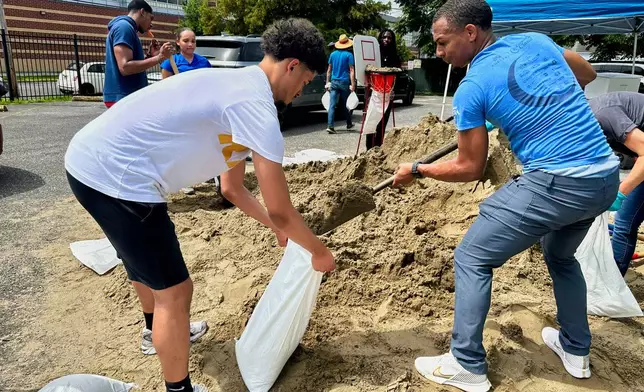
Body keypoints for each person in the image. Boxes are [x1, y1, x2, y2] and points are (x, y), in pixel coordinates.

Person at [64, 18, 335, 392]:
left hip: (92, 163)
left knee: (145, 264)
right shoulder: (255, 106)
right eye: (305, 79)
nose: (304, 87)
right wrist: (318, 251)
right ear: (291, 65)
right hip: (118, 178)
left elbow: (233, 188)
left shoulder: (238, 88)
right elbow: (282, 209)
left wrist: (276, 230)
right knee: (176, 292)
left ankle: (151, 330)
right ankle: (180, 389)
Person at [392, 0, 619, 391]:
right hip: (603, 177)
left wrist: (417, 169)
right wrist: (551, 102)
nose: (438, 53)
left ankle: (466, 364)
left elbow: (470, 168)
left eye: (443, 42)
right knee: (561, 257)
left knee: (472, 256)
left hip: (557, 183)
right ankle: (576, 350)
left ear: (470, 32)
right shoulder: (535, 40)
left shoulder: (472, 87)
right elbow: (587, 71)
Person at [589, 91, 644, 276]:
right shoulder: (590, 120)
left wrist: (622, 191)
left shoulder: (603, 114)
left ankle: (612, 283)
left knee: (624, 222)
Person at [161, 27, 214, 195]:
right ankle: (183, 181)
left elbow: (209, 85)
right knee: (182, 145)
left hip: (198, 109)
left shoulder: (203, 62)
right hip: (179, 109)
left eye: (193, 41)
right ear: (178, 42)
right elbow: (165, 87)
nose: (190, 44)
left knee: (201, 143)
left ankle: (203, 174)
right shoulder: (171, 61)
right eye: (186, 41)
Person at [103, 0, 173, 108]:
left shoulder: (127, 28)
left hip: (126, 97)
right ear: (142, 12)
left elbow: (129, 64)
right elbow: (125, 67)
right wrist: (160, 57)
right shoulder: (124, 28)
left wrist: (150, 56)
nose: (151, 24)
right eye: (151, 18)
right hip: (123, 98)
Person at [366, 29, 402, 150]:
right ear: (380, 38)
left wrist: (393, 91)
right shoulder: (374, 56)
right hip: (374, 92)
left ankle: (378, 148)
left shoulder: (395, 57)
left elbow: (397, 76)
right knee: (371, 121)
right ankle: (368, 149)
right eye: (384, 37)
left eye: (389, 38)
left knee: (382, 124)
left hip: (387, 93)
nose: (386, 40)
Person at [325, 34, 356, 134]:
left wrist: (327, 83)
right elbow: (351, 70)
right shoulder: (349, 55)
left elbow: (329, 70)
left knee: (332, 105)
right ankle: (349, 123)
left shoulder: (333, 55)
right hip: (344, 82)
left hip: (334, 82)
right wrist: (353, 84)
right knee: (346, 104)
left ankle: (330, 126)